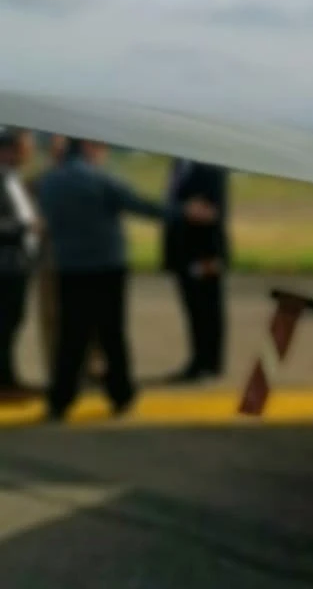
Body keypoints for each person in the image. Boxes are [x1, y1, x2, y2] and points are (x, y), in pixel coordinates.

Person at [34, 139, 215, 421]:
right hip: (107, 266)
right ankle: (120, 394)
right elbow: (140, 205)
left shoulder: (50, 182)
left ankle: (60, 399)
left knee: (71, 336)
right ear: (89, 148)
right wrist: (184, 212)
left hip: (70, 267)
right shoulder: (100, 179)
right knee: (111, 333)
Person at [162, 158, 230, 381]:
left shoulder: (210, 166)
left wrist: (214, 256)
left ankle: (209, 363)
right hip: (183, 252)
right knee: (193, 307)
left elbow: (215, 212)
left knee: (208, 308)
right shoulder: (179, 165)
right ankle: (200, 360)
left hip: (204, 253)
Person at [0, 128, 40, 395]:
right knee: (4, 324)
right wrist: (24, 228)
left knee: (13, 322)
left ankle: (9, 379)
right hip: (5, 265)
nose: (29, 153)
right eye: (25, 147)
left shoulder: (14, 178)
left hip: (18, 264)